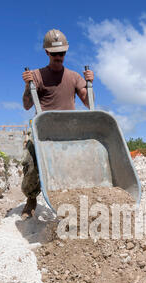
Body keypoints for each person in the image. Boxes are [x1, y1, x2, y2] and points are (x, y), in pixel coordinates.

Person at [21, 28, 94, 218]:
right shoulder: (36, 75)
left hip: (68, 133)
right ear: (47, 52)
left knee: (78, 167)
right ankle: (31, 199)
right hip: (42, 132)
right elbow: (27, 105)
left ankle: (75, 202)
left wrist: (89, 85)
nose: (58, 56)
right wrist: (28, 86)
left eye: (61, 53)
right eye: (54, 53)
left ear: (66, 52)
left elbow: (87, 103)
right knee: (31, 165)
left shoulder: (74, 77)